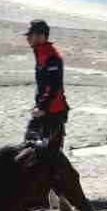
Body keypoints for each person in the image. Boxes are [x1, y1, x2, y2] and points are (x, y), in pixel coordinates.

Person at [24, 19, 68, 150]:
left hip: (52, 112)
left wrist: (42, 107)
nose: (28, 39)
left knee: (46, 153)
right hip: (45, 110)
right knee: (31, 147)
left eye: (30, 35)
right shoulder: (41, 54)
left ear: (41, 36)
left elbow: (55, 86)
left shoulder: (51, 56)